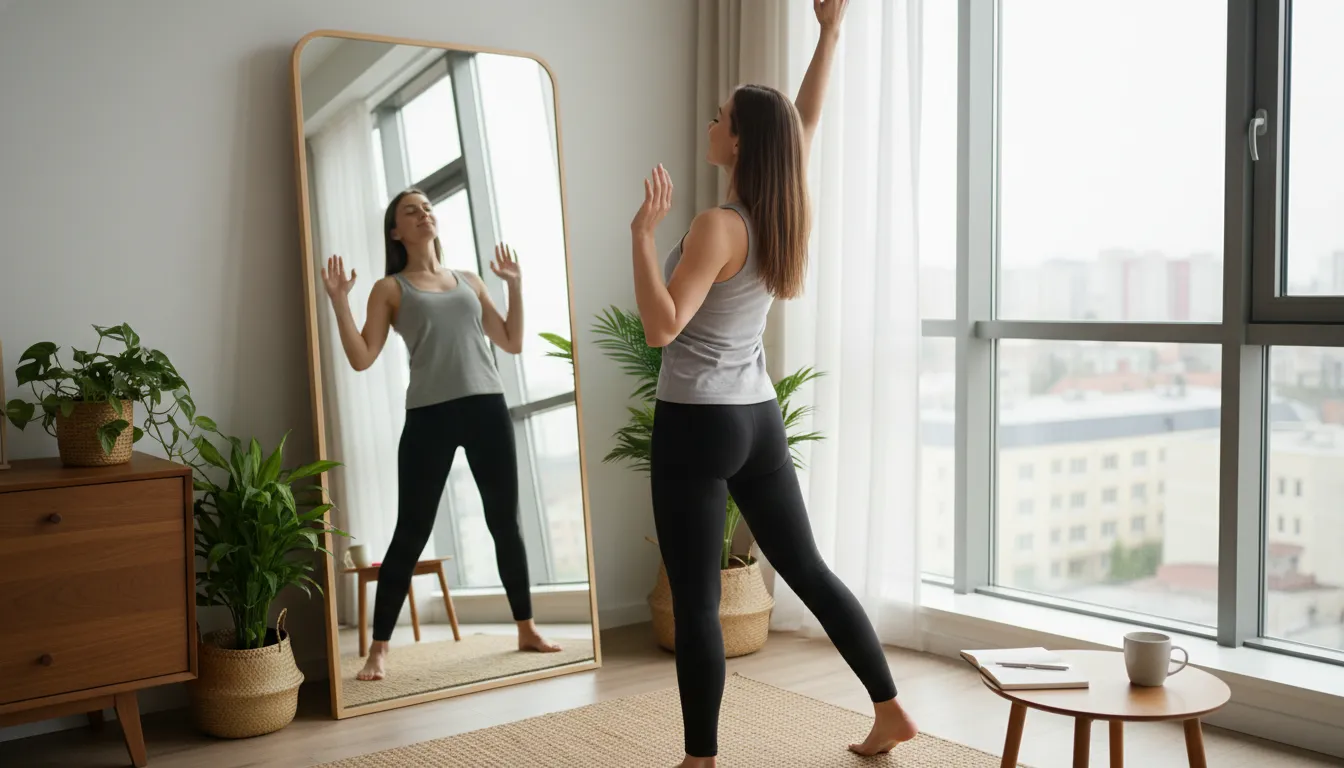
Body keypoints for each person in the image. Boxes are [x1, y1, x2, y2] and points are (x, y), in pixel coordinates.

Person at [629, 1, 919, 764]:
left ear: (740, 140)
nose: (711, 121)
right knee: (810, 571)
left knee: (695, 602)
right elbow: (803, 118)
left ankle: (700, 757)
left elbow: (662, 328)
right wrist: (829, 34)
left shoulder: (717, 224)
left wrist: (640, 236)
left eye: (720, 116)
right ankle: (890, 709)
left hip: (696, 424)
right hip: (757, 420)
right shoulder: (781, 204)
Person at [322, 187, 561, 682]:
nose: (423, 214)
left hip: (486, 406)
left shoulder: (469, 281)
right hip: (429, 415)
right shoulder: (390, 289)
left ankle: (527, 628)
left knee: (505, 524)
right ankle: (378, 651)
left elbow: (512, 342)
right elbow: (362, 357)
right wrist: (339, 303)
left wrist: (514, 285)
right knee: (410, 531)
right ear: (396, 230)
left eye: (428, 207)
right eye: (411, 211)